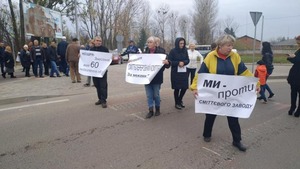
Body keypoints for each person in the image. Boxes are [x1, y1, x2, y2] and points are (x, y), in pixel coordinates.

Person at [190, 35, 259, 152]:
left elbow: (244, 72)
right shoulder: (210, 57)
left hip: (230, 94)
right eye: (228, 45)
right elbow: (201, 74)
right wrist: (195, 87)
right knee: (210, 115)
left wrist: (255, 84)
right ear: (220, 46)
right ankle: (207, 134)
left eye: (232, 45)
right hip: (214, 94)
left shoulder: (235, 56)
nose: (230, 48)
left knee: (233, 117)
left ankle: (237, 140)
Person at [144, 36, 170, 118]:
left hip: (157, 77)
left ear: (155, 43)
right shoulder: (146, 52)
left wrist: (167, 62)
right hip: (147, 78)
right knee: (149, 95)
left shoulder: (161, 52)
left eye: (150, 42)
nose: (149, 44)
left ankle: (157, 109)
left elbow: (167, 64)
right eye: (148, 42)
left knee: (156, 95)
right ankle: (150, 110)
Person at [168, 37, 190, 110]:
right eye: (180, 43)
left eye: (183, 43)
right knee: (177, 88)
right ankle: (176, 103)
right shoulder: (173, 51)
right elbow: (170, 61)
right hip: (175, 73)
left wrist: (184, 62)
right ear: (177, 43)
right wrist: (178, 63)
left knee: (184, 87)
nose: (182, 45)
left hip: (183, 73)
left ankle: (180, 100)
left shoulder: (185, 51)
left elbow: (188, 60)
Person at [90, 36, 109, 108]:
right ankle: (100, 99)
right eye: (97, 41)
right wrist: (81, 56)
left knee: (103, 86)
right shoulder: (91, 50)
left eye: (100, 41)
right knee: (97, 85)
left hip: (102, 71)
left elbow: (108, 59)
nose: (98, 42)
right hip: (94, 71)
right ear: (94, 41)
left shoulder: (105, 49)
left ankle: (104, 100)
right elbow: (88, 59)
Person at [287, 35, 300, 117]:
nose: (297, 43)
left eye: (298, 41)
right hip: (295, 74)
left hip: (298, 74)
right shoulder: (298, 50)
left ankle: (298, 110)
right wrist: (290, 57)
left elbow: (297, 60)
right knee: (293, 92)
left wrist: (291, 57)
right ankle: (293, 107)